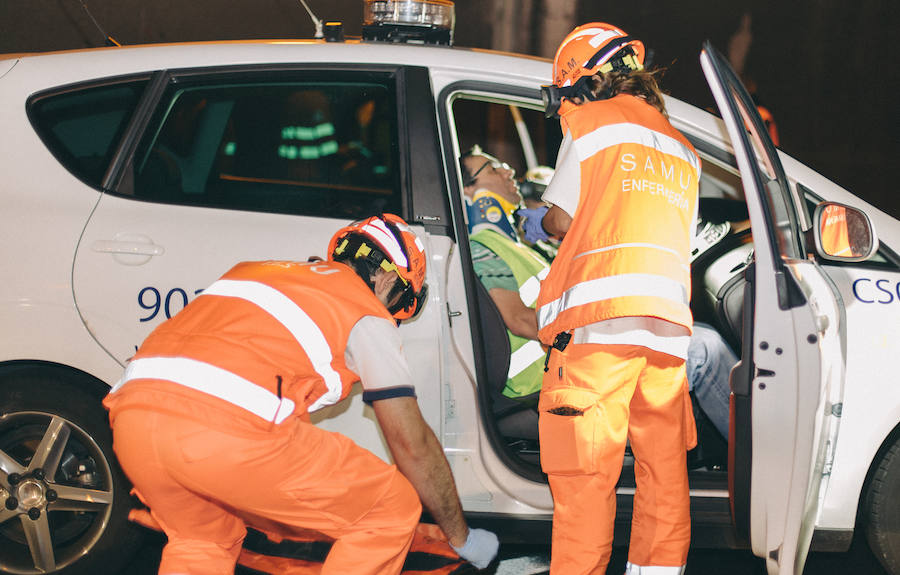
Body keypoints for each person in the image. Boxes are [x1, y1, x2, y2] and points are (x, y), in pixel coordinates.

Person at [103, 214, 499, 575]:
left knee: (204, 540)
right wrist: (462, 537)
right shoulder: (362, 309)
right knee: (389, 508)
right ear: (385, 278)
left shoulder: (254, 273)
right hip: (225, 434)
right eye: (399, 303)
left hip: (133, 427)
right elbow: (412, 444)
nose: (392, 316)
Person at [519, 23, 702, 574]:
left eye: (570, 91)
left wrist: (538, 219)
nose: (569, 102)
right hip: (666, 335)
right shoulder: (683, 148)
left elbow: (561, 217)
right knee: (664, 479)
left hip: (599, 331)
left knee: (586, 479)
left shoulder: (592, 124)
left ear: (591, 80)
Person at [461, 147, 734, 442]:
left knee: (695, 335)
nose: (508, 171)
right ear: (469, 191)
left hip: (573, 362)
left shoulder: (518, 246)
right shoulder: (481, 248)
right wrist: (604, 330)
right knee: (704, 348)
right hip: (551, 378)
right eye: (492, 169)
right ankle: (764, 461)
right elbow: (520, 321)